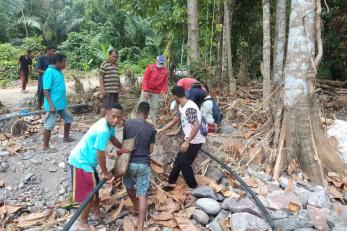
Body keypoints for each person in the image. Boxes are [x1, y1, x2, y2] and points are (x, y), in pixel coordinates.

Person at [68, 103, 127, 231]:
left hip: (88, 162)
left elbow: (113, 138)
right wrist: (105, 172)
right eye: (113, 116)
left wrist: (122, 148)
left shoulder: (108, 124)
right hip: (81, 162)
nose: (116, 120)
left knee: (95, 191)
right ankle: (82, 221)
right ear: (106, 113)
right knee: (89, 195)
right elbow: (100, 153)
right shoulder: (103, 130)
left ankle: (96, 212)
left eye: (118, 117)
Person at [158, 86, 206, 190]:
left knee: (185, 164)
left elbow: (196, 125)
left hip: (195, 140)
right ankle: (171, 183)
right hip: (190, 138)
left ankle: (194, 187)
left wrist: (187, 142)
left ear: (175, 96)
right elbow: (175, 120)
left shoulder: (189, 108)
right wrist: (161, 130)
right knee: (178, 161)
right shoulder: (182, 106)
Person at [122, 101, 156, 231]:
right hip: (143, 164)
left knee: (129, 186)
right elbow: (151, 150)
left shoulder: (127, 123)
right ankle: (141, 226)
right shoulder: (151, 129)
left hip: (129, 162)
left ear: (137, 110)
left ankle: (135, 206)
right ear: (147, 113)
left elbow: (125, 144)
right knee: (142, 194)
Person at [42, 53, 74, 151]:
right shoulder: (49, 72)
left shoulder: (58, 71)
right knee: (49, 124)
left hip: (60, 104)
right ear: (57, 62)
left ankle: (66, 138)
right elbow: (46, 90)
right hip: (53, 104)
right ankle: (45, 147)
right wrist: (51, 105)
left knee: (68, 118)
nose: (65, 64)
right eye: (64, 62)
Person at [140, 55, 169, 122]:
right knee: (142, 104)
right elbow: (145, 79)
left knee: (154, 107)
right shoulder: (150, 68)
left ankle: (153, 120)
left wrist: (164, 92)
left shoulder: (165, 71)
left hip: (156, 91)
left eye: (162, 63)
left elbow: (165, 83)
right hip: (146, 89)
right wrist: (145, 90)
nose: (160, 64)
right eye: (159, 63)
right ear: (156, 61)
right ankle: (140, 119)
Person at [99, 49, 121, 117]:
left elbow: (117, 77)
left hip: (115, 90)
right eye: (113, 56)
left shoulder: (117, 65)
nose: (115, 58)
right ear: (109, 55)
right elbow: (100, 76)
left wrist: (120, 86)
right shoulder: (104, 64)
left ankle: (109, 121)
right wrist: (102, 89)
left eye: (116, 57)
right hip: (107, 90)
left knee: (113, 107)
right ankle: (101, 121)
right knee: (105, 106)